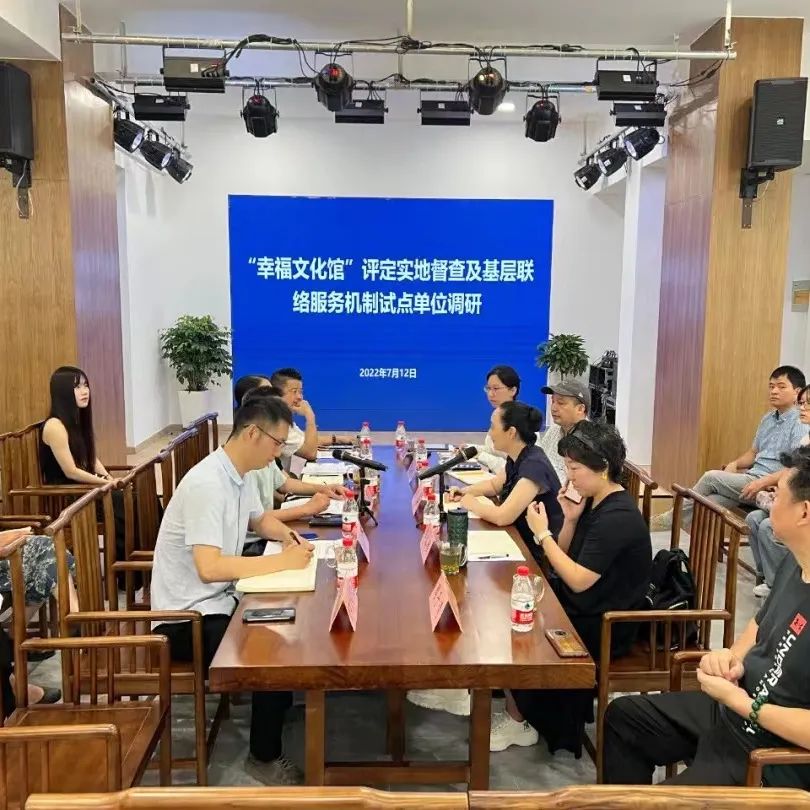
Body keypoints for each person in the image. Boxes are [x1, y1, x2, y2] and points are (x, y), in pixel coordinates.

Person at [603, 446, 810, 789]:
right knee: (625, 718)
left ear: (804, 512)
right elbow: (761, 623)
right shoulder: (795, 560)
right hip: (734, 709)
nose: (769, 502)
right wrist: (731, 657)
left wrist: (744, 705)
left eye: (777, 495)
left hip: (767, 753)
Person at [150, 396, 315, 785]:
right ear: (253, 433)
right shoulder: (207, 483)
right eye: (277, 443)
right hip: (186, 618)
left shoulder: (237, 475)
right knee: (268, 645)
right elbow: (209, 568)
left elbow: (259, 520)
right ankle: (263, 756)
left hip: (220, 600)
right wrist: (283, 562)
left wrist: (291, 539)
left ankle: (276, 703)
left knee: (288, 618)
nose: (279, 453)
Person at [490, 422, 652, 755]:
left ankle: (520, 719)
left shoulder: (617, 516)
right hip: (583, 603)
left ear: (602, 467)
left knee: (521, 622)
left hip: (605, 622)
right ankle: (516, 701)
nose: (570, 477)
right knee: (512, 604)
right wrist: (571, 520)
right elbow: (562, 561)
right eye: (567, 467)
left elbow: (577, 580)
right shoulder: (594, 500)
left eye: (575, 469)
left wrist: (542, 533)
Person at [407, 402, 562, 718]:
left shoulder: (534, 465)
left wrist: (470, 502)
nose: (489, 431)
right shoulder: (519, 457)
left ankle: (470, 684)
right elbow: (494, 485)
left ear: (511, 432)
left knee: (472, 593)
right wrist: (463, 493)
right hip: (514, 544)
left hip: (534, 557)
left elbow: (504, 515)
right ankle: (458, 680)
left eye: (493, 426)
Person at [651, 366, 807, 532]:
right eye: (771, 386)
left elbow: (797, 467)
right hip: (751, 478)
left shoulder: (800, 422)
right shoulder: (768, 418)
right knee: (711, 503)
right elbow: (753, 453)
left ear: (797, 392)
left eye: (781, 387)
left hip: (771, 486)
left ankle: (668, 520)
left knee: (710, 477)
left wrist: (764, 482)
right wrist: (735, 464)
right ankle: (694, 544)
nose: (774, 391)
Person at [238, 387, 348, 554]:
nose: (278, 453)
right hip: (252, 546)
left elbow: (283, 484)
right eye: (277, 443)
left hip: (266, 535)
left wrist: (325, 488)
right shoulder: (242, 467)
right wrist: (306, 509)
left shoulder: (259, 455)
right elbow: (253, 522)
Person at [40, 366, 129, 572]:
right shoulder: (55, 426)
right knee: (122, 501)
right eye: (77, 387)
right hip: (67, 495)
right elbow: (71, 471)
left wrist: (109, 478)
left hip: (83, 488)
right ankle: (126, 572)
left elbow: (91, 458)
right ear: (62, 392)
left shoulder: (75, 420)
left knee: (136, 494)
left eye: (85, 385)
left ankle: (147, 563)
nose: (84, 391)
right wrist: (106, 484)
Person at [744, 384, 810, 599]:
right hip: (795, 496)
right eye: (802, 403)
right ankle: (768, 577)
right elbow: (793, 473)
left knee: (768, 526)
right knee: (754, 519)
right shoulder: (806, 439)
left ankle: (781, 586)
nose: (803, 408)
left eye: (808, 404)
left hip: (802, 503)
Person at [269, 368, 353, 470]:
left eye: (300, 392)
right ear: (277, 395)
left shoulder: (283, 417)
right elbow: (311, 453)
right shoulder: (276, 423)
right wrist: (310, 417)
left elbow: (305, 440)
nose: (300, 397)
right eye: (294, 392)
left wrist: (339, 439)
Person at [537, 380, 590, 484]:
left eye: (561, 403)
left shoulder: (590, 441)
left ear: (580, 409)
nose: (553, 408)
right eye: (553, 401)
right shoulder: (554, 429)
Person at [473, 366, 521, 473]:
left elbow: (515, 468)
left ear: (513, 390)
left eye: (496, 389)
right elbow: (494, 451)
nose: (490, 394)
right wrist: (471, 449)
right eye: (488, 388)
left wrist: (480, 455)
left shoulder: (522, 419)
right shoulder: (498, 414)